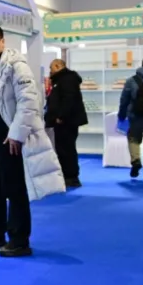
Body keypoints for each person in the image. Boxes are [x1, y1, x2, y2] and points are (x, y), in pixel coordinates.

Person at [0, 24, 64, 258]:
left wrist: (17, 133)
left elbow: (29, 101)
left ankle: (19, 239)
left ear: (2, 41)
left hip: (9, 138)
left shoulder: (16, 66)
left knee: (14, 189)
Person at [44, 58, 87, 188]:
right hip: (64, 121)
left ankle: (71, 177)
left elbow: (69, 99)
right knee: (64, 149)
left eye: (51, 68)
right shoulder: (62, 80)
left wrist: (61, 116)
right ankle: (67, 175)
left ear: (58, 66)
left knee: (66, 149)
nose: (50, 71)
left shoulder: (67, 79)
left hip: (66, 121)